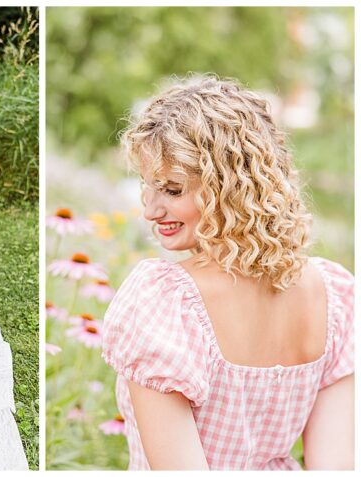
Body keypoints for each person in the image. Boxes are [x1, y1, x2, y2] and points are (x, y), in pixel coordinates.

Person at [101, 76, 354, 470]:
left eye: (171, 189)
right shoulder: (335, 297)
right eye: (147, 185)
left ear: (229, 187)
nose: (149, 209)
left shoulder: (165, 303)